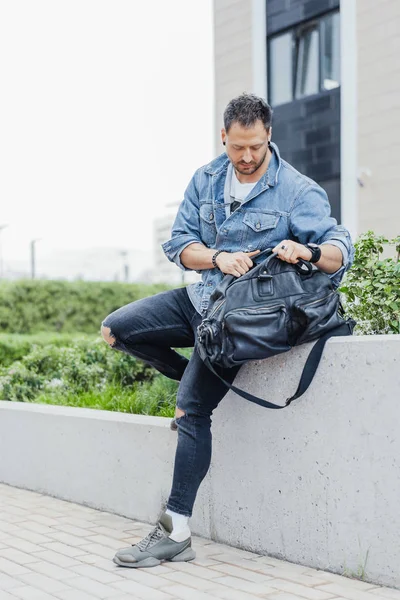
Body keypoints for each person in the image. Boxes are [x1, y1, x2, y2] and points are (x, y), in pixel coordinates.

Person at [101, 93, 354, 568]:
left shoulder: (296, 189)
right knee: (117, 329)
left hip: (241, 321)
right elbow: (179, 245)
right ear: (224, 137)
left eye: (256, 146)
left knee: (191, 412)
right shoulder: (206, 178)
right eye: (238, 147)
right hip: (201, 299)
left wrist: (307, 252)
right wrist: (216, 257)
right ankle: (194, 375)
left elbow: (339, 247)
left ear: (268, 136)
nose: (247, 156)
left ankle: (175, 531)